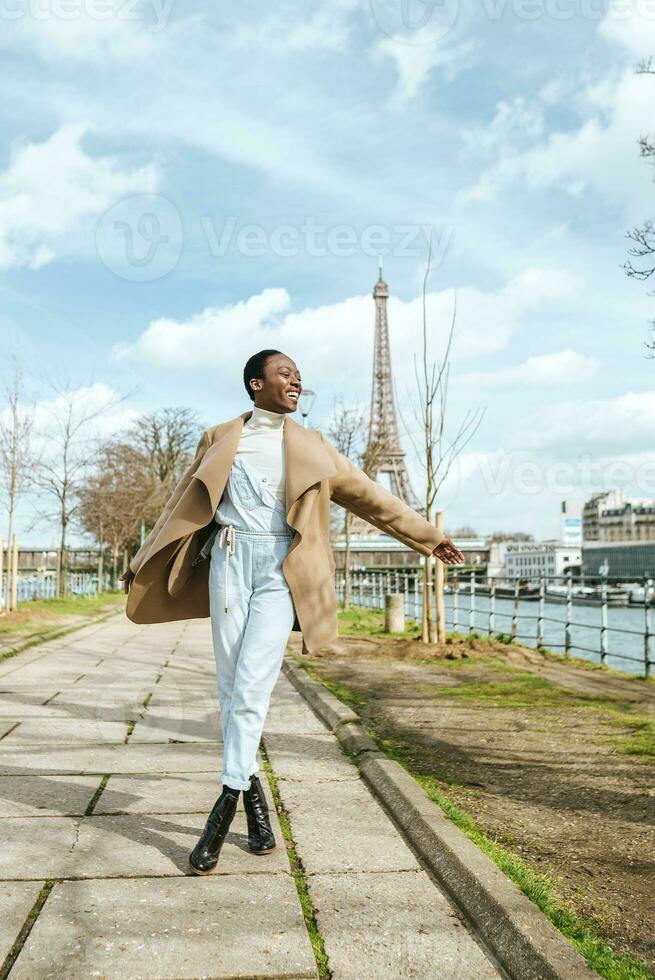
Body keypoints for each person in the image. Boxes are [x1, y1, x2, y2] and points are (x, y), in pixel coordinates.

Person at [120, 349, 465, 875]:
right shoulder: (219, 438)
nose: (296, 381)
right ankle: (258, 811)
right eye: (285, 373)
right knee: (233, 687)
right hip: (229, 564)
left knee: (254, 681)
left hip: (284, 571)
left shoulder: (315, 448)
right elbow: (179, 504)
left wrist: (429, 537)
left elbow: (373, 497)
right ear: (256, 384)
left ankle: (225, 807)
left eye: (299, 376)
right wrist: (142, 558)